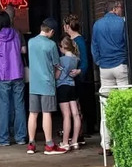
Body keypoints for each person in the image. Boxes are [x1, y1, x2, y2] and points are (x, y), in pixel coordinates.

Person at [26, 18, 68, 155]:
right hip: (47, 83)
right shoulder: (51, 45)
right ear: (51, 31)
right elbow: (57, 64)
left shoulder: (30, 42)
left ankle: (31, 144)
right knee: (46, 113)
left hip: (34, 83)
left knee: (33, 114)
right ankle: (49, 144)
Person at [92, 0, 129, 154]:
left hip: (105, 67)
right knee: (125, 104)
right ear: (114, 9)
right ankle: (124, 142)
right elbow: (128, 42)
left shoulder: (97, 25)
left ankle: (106, 144)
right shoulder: (122, 23)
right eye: (120, 8)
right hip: (120, 65)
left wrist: (99, 61)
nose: (121, 10)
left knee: (105, 107)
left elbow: (94, 46)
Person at [0, 11, 27, 147]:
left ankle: (4, 138)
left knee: (4, 106)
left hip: (2, 74)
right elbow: (22, 51)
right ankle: (21, 137)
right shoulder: (16, 35)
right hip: (18, 73)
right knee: (19, 106)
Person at [62, 14, 88, 145]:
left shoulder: (79, 40)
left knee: (77, 107)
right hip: (71, 78)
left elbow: (85, 60)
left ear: (67, 26)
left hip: (77, 79)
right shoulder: (71, 39)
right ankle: (75, 134)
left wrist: (79, 71)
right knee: (74, 107)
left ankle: (79, 134)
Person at [57, 36, 81, 150]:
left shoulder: (61, 60)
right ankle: (75, 141)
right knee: (75, 114)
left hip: (62, 86)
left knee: (66, 115)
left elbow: (57, 75)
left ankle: (65, 142)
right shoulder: (76, 59)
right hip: (72, 86)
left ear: (64, 47)